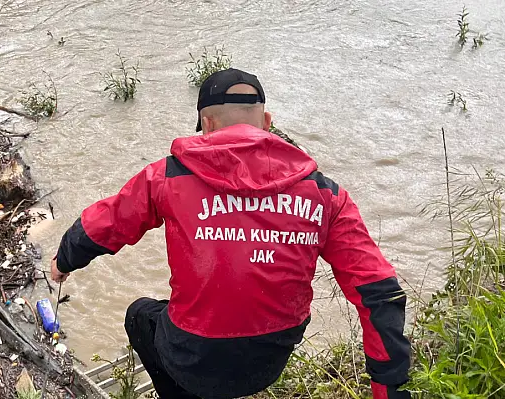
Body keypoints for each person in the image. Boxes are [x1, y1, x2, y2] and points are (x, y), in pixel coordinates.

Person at [50, 68, 411, 399]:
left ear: (207, 125)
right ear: (267, 123)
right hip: (271, 359)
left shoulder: (168, 177)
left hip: (192, 357)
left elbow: (111, 220)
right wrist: (388, 391)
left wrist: (65, 259)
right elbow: (380, 293)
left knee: (139, 315)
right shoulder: (325, 193)